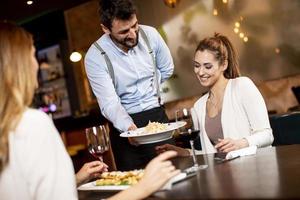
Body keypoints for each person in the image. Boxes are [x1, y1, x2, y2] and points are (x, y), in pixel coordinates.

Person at [0, 21, 180, 200]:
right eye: (33, 56)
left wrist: (76, 179)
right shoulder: (33, 123)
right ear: (19, 66)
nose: (37, 65)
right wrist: (143, 187)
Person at [84, 0, 175, 170]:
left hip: (157, 117)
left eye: (135, 25)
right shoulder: (95, 56)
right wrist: (129, 128)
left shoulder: (151, 35)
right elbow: (109, 102)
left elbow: (167, 68)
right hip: (124, 125)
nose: (133, 34)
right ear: (105, 29)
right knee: (134, 185)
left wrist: (150, 88)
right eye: (124, 31)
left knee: (171, 174)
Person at [156, 33, 274, 156]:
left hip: (254, 167)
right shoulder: (199, 107)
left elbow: (267, 135)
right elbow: (210, 154)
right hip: (222, 173)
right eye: (197, 66)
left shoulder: (242, 86)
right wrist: (183, 152)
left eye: (207, 66)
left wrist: (241, 143)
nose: (200, 72)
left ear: (224, 65)